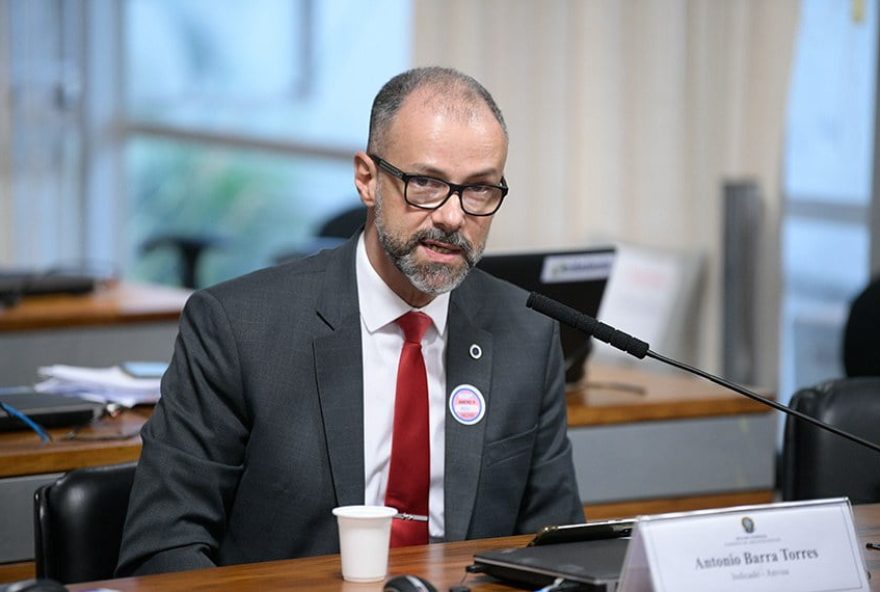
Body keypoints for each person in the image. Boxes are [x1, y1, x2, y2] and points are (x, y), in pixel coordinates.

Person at [116, 66, 584, 576]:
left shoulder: (527, 333)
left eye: (479, 190)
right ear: (366, 179)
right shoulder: (237, 328)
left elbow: (555, 555)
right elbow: (162, 549)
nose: (452, 217)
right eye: (425, 183)